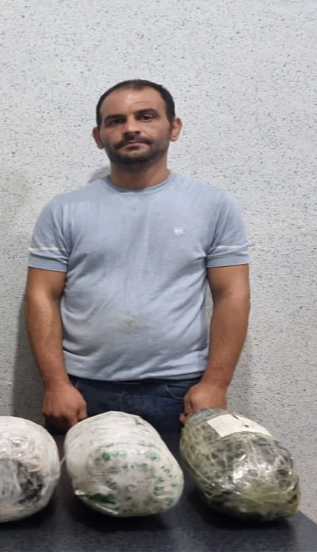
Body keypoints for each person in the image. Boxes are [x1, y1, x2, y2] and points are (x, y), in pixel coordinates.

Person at [25, 79, 250, 441]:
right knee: (78, 481)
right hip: (82, 390)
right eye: (115, 121)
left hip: (180, 392)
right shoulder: (63, 210)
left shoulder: (213, 205)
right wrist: (55, 384)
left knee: (180, 481)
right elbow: (41, 296)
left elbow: (232, 295)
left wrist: (216, 383)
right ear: (98, 136)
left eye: (146, 116)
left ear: (174, 127)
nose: (130, 128)